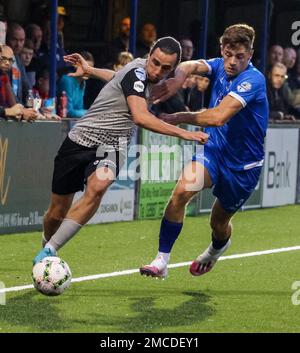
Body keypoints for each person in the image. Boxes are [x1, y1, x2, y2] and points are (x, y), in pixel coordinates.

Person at [33, 36, 209, 264]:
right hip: (80, 140)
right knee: (56, 214)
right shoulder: (137, 71)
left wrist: (91, 70)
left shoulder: (137, 71)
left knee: (98, 187)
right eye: (155, 63)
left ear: (173, 67)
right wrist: (185, 133)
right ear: (150, 54)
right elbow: (140, 116)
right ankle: (47, 242)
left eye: (166, 68)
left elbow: (116, 78)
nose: (157, 71)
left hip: (112, 146)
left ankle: (50, 251)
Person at [140, 24, 269, 279]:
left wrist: (179, 116)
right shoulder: (220, 64)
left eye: (240, 56)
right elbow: (189, 66)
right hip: (214, 152)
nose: (232, 62)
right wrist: (177, 80)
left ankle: (215, 250)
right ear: (222, 49)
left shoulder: (253, 80)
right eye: (228, 54)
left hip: (242, 168)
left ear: (250, 54)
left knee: (218, 223)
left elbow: (219, 116)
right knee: (180, 193)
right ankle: (161, 260)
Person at [57, 51, 94, 118]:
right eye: (86, 68)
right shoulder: (67, 80)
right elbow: (68, 111)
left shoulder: (83, 83)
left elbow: (79, 108)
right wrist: (90, 113)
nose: (88, 71)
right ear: (76, 66)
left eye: (91, 68)